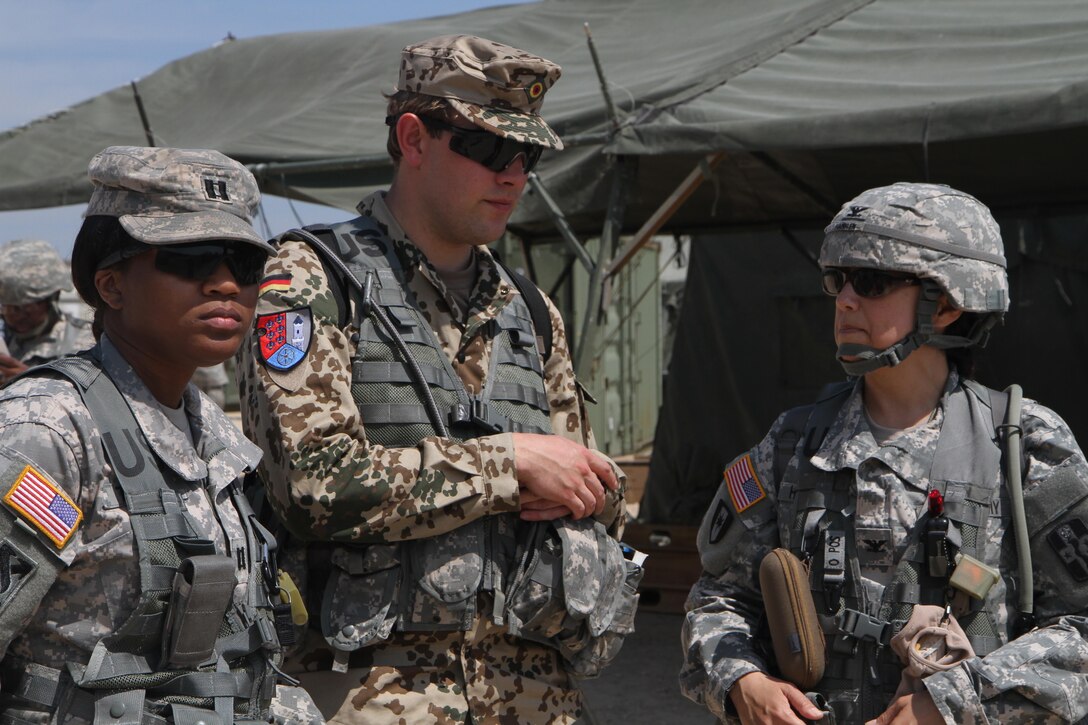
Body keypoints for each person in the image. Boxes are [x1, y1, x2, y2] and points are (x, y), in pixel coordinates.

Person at [238, 35, 636, 725]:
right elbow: (312, 484)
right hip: (372, 698)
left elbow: (588, 485)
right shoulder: (311, 281)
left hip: (534, 698)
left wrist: (593, 491)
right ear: (414, 138)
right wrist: (506, 464)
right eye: (487, 149)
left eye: (527, 156)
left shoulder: (532, 311)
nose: (512, 174)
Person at [680, 182, 1088, 724]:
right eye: (837, 280)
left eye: (872, 282)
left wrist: (951, 703)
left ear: (944, 304)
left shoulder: (1023, 447)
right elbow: (718, 599)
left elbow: (1080, 631)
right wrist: (743, 681)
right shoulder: (792, 445)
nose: (845, 300)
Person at [0, 145, 322, 724]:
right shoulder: (49, 429)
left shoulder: (220, 443)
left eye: (244, 266)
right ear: (111, 285)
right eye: (191, 260)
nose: (225, 283)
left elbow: (247, 660)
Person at [0, 238, 95, 381]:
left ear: (52, 300)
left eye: (27, 308)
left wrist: (30, 381)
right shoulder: (6, 344)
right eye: (9, 308)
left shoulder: (89, 341)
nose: (17, 316)